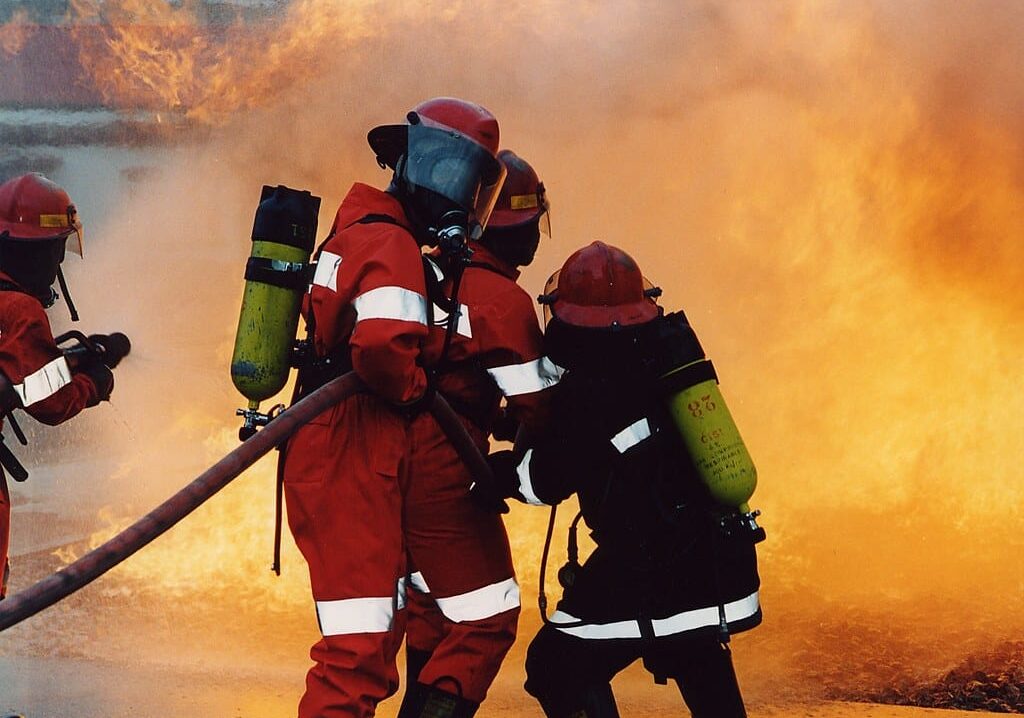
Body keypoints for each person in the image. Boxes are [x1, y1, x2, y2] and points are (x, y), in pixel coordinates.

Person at [282, 97, 512, 718]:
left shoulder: (364, 230)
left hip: (339, 442)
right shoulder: (393, 244)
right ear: (422, 166)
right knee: (358, 652)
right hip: (350, 444)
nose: (460, 197)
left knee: (375, 636)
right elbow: (384, 348)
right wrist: (420, 394)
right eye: (455, 176)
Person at [488, 241, 763, 718]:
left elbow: (545, 482)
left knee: (554, 666)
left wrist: (501, 473)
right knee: (693, 653)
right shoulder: (663, 358)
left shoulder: (589, 386)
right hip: (720, 559)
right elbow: (626, 443)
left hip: (649, 566)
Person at [399, 150, 559, 717]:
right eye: (532, 222)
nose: (536, 239)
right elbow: (545, 414)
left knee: (432, 610)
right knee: (487, 620)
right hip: (443, 474)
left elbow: (451, 374)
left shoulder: (420, 268)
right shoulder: (500, 300)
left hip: (387, 468)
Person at [0, 172, 129, 601]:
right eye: (57, 251)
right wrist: (93, 382)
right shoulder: (20, 311)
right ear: (36, 251)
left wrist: (74, 358)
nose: (58, 268)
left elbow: (17, 376)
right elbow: (46, 399)